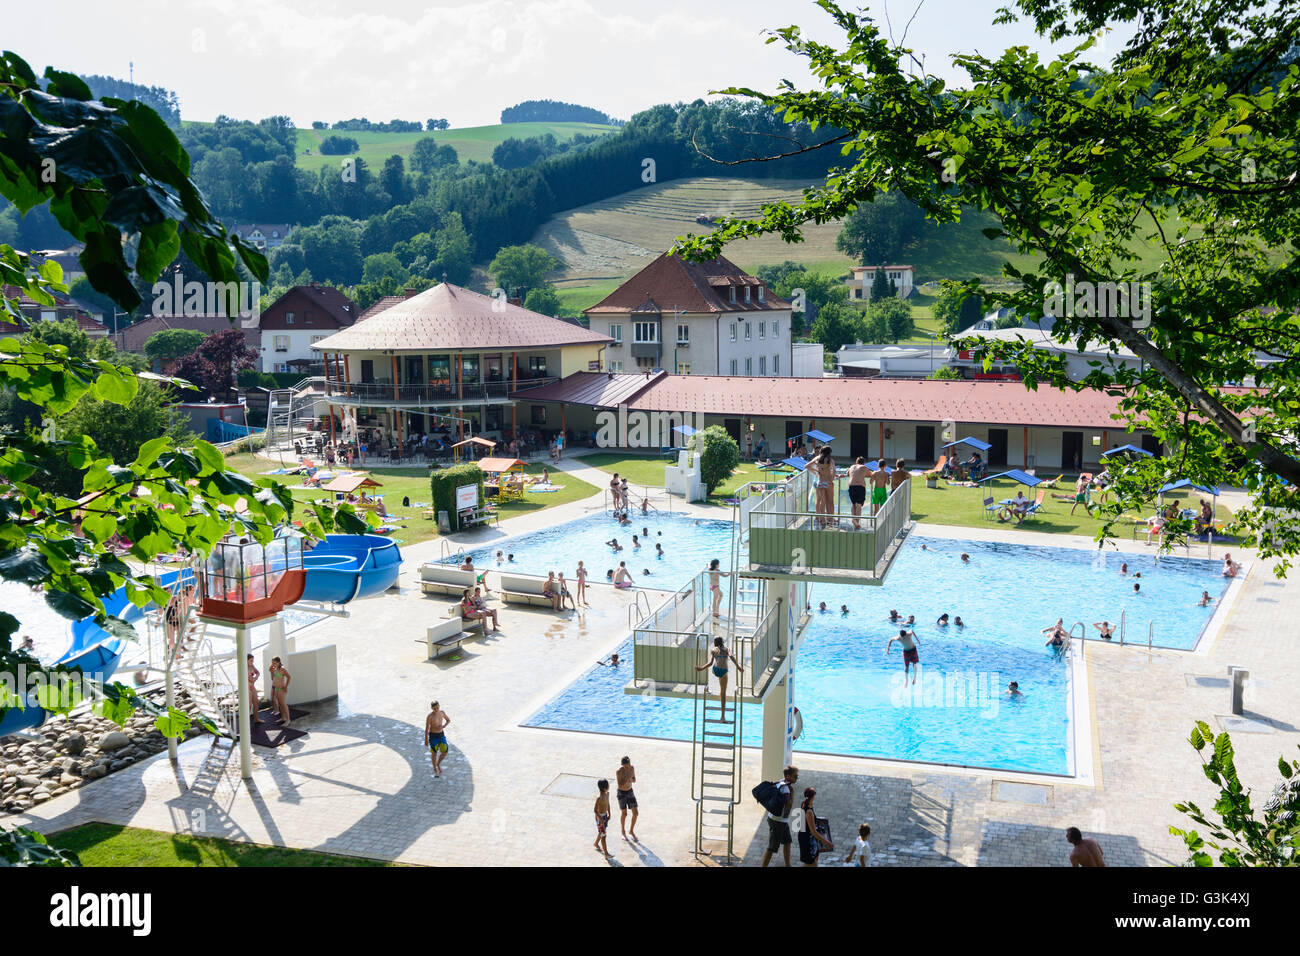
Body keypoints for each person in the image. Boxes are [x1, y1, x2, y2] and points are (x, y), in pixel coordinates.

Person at [760, 766, 799, 867]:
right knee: (772, 848)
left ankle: (788, 865)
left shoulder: (781, 782)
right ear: (788, 776)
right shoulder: (786, 789)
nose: (797, 778)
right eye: (795, 776)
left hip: (779, 820)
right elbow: (788, 806)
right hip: (778, 821)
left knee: (787, 841)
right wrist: (792, 794)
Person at [696, 636, 741, 716]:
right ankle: (723, 716)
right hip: (723, 671)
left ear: (715, 643)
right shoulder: (727, 649)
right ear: (723, 642)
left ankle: (719, 688)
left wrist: (700, 669)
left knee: (716, 668)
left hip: (715, 670)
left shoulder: (714, 650)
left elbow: (710, 663)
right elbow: (731, 656)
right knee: (723, 693)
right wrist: (738, 667)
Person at [796, 787, 834, 866]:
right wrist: (827, 843)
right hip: (807, 840)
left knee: (814, 861)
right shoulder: (809, 811)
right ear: (813, 797)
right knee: (811, 864)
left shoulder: (804, 804)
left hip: (807, 837)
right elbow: (814, 832)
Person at [424, 700, 451, 778]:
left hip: (441, 735)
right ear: (431, 708)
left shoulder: (442, 713)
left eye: (437, 707)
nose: (436, 709)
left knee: (445, 750)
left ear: (439, 706)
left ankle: (438, 763)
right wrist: (426, 740)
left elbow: (448, 720)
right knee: (434, 753)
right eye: (434, 708)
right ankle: (435, 769)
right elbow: (426, 729)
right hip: (433, 736)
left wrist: (443, 726)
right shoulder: (430, 716)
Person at [811, 446, 836, 527]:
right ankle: (831, 520)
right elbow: (834, 470)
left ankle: (823, 520)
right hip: (828, 482)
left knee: (822, 501)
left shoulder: (817, 459)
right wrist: (832, 478)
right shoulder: (830, 460)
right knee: (830, 502)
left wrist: (816, 471)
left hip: (820, 482)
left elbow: (807, 466)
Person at [616, 756, 638, 840]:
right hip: (621, 793)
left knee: (635, 813)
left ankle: (631, 831)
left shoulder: (632, 768)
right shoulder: (619, 772)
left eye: (628, 765)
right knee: (624, 814)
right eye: (625, 766)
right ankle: (623, 831)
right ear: (622, 765)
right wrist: (627, 778)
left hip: (630, 791)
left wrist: (632, 779)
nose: (627, 767)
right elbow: (620, 785)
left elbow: (634, 779)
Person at [847, 456, 870, 529]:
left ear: (856, 462)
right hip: (860, 487)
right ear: (864, 463)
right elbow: (870, 475)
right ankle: (856, 522)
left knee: (853, 504)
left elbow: (848, 473)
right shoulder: (864, 467)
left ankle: (854, 521)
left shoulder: (851, 466)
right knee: (858, 505)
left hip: (851, 487)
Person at [269, 657, 291, 727]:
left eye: (274, 663)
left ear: (279, 662)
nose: (273, 664)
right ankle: (283, 718)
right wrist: (271, 672)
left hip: (281, 689)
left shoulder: (282, 669)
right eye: (272, 663)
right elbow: (273, 679)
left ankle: (288, 720)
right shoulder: (275, 669)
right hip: (276, 689)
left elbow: (289, 677)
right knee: (280, 704)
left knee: (284, 704)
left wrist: (286, 687)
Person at [594, 779, 612, 859]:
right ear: (605, 788)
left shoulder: (607, 794)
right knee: (603, 835)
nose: (609, 786)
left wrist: (609, 813)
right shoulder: (599, 798)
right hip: (600, 818)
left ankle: (596, 843)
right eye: (608, 785)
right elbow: (595, 810)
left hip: (605, 816)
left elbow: (608, 804)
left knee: (602, 832)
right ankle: (606, 853)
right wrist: (600, 819)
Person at [246, 654, 261, 725]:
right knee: (249, 705)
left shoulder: (252, 666)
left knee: (256, 703)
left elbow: (258, 672)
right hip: (247, 688)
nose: (252, 662)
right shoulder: (244, 668)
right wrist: (254, 679)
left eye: (253, 660)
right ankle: (246, 722)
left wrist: (256, 678)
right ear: (246, 661)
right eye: (251, 660)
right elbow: (250, 680)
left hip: (252, 687)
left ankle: (256, 719)